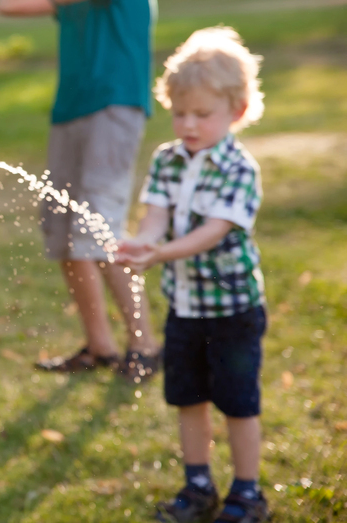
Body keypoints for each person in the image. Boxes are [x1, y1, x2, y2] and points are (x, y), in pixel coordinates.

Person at [0, 0, 160, 380]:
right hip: (70, 114)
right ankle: (100, 347)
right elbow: (7, 2)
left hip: (115, 112)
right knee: (66, 235)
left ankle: (146, 346)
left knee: (99, 229)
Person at [116, 27, 269, 523]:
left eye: (202, 115)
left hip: (233, 311)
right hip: (185, 309)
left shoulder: (238, 168)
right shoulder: (166, 160)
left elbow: (215, 231)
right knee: (189, 397)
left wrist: (160, 254)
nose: (188, 124)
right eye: (180, 113)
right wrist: (143, 240)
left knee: (238, 402)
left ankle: (247, 493)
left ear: (237, 112)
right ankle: (198, 485)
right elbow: (156, 216)